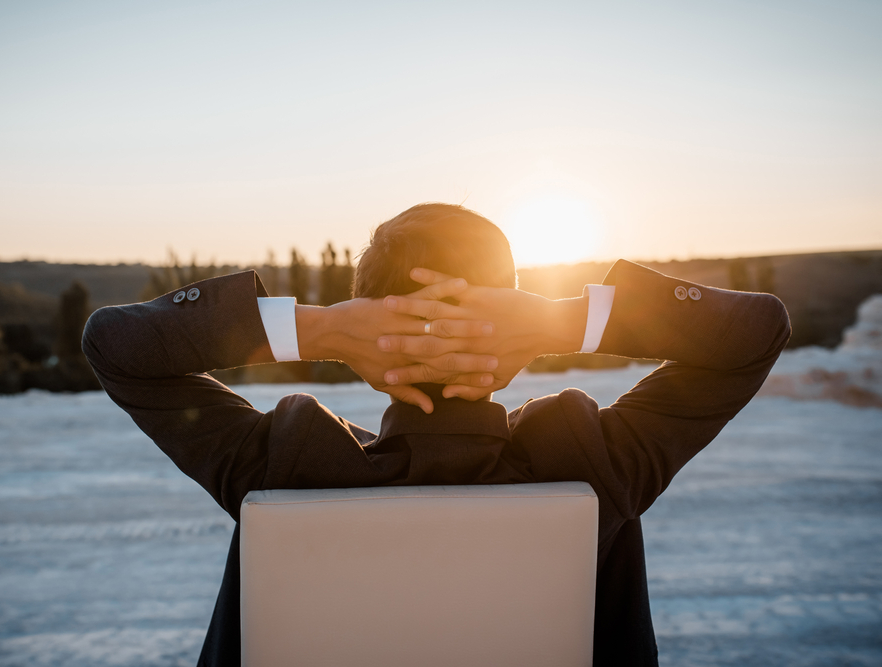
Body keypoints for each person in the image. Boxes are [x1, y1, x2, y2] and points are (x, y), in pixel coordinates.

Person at [82, 203, 790, 667]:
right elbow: (757, 330)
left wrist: (319, 327)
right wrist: (564, 320)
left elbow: (114, 344)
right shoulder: (590, 461)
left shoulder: (288, 460)